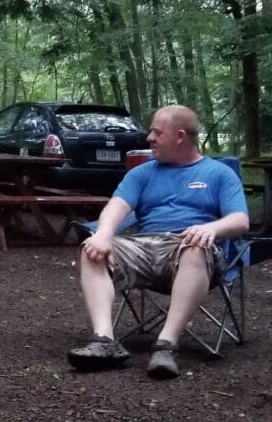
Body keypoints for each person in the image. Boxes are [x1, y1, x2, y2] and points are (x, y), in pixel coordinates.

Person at [67, 104, 249, 380]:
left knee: (195, 247)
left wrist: (210, 228)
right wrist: (103, 234)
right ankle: (104, 342)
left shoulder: (219, 174)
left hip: (189, 250)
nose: (149, 138)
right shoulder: (142, 173)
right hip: (144, 247)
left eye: (156, 132)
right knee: (92, 249)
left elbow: (240, 220)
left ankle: (166, 345)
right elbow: (116, 207)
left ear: (180, 137)